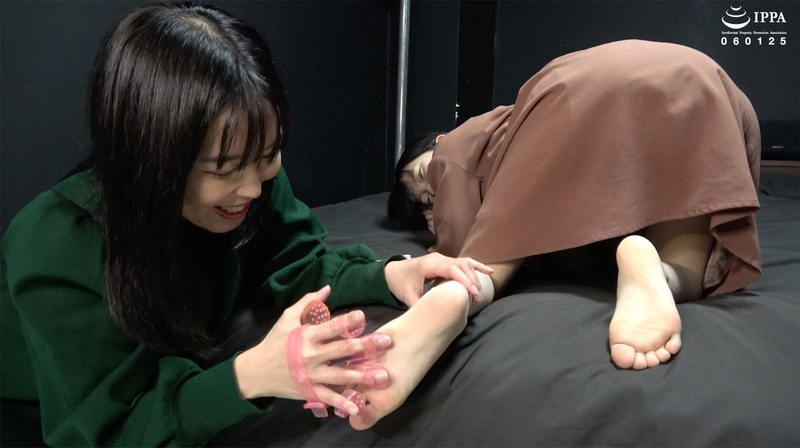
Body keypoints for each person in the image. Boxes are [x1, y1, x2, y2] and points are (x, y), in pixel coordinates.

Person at [0, 4, 494, 446]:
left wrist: (388, 273)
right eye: (224, 169)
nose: (254, 189)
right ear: (150, 161)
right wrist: (249, 376)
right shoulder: (56, 242)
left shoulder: (253, 178)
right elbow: (107, 430)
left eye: (268, 154)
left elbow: (295, 262)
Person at [351, 39, 762, 428]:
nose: (434, 196)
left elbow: (463, 237)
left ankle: (454, 297)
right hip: (705, 88)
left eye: (425, 179)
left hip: (574, 97)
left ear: (437, 141)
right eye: (425, 205)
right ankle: (655, 267)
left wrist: (442, 233)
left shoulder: (458, 146)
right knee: (687, 257)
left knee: (489, 256)